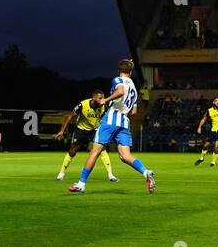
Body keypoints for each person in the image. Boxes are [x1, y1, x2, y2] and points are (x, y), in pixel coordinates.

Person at [68, 59, 155, 194]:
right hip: (124, 122)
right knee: (125, 156)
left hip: (111, 120)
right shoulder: (133, 87)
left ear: (119, 71)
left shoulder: (117, 80)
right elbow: (134, 112)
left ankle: (81, 184)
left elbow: (119, 92)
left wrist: (106, 100)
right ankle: (146, 172)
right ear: (130, 72)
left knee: (95, 151)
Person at [54, 90, 118, 183]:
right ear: (93, 98)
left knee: (102, 149)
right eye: (100, 98)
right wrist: (62, 131)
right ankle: (62, 173)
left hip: (94, 130)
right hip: (81, 130)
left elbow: (107, 119)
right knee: (73, 150)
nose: (102, 100)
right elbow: (70, 117)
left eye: (103, 98)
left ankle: (110, 174)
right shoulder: (83, 105)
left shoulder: (104, 106)